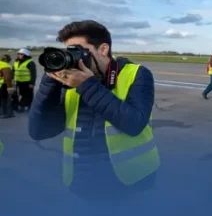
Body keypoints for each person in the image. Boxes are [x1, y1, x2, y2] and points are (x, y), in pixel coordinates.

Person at [28, 20, 160, 215]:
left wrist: (87, 84)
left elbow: (134, 123)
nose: (73, 59)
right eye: (68, 52)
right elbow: (39, 131)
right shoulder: (70, 84)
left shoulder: (136, 74)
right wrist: (50, 83)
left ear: (103, 49)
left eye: (78, 51)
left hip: (130, 181)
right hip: (82, 180)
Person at [0, 54, 15, 118]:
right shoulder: (5, 65)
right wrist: (10, 87)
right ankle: (7, 113)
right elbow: (7, 78)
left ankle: (2, 112)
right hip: (4, 85)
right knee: (6, 100)